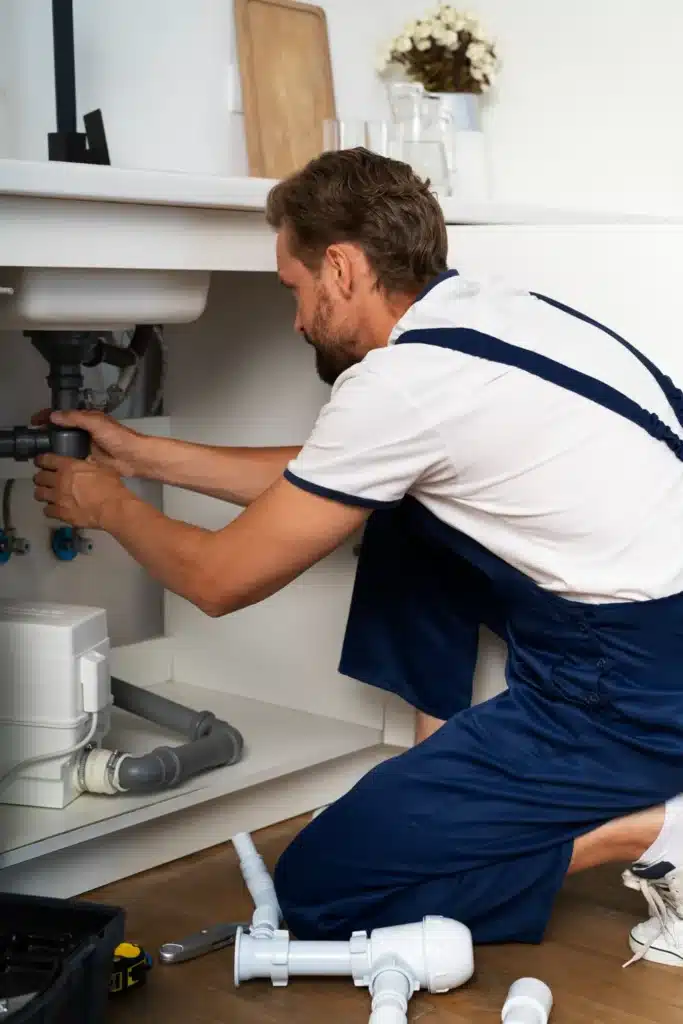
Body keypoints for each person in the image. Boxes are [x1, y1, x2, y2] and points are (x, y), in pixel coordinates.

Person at [31, 148, 683, 969]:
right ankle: (452, 774)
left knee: (322, 889)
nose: (296, 320)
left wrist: (108, 508)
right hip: (644, 643)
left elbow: (219, 579)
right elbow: (331, 473)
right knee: (396, 510)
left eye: (293, 291)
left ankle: (656, 830)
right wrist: (143, 458)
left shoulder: (398, 387)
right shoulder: (492, 316)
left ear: (339, 267)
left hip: (623, 688)